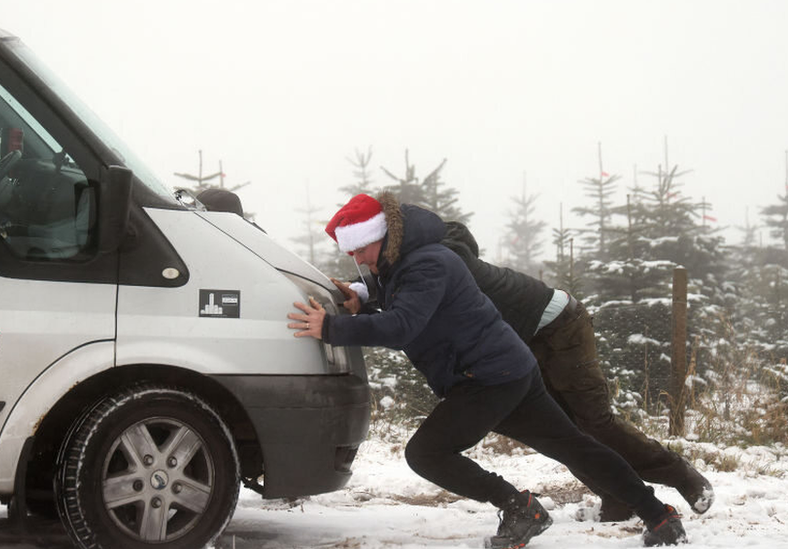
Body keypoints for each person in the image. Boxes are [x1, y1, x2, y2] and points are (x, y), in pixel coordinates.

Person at [288, 193, 687, 548]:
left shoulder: (425, 264)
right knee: (574, 445)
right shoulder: (409, 261)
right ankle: (660, 516)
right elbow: (413, 313)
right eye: (350, 253)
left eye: (359, 249)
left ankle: (520, 508)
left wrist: (332, 328)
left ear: (382, 235)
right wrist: (364, 305)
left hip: (488, 378)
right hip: (506, 369)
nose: (355, 259)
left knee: (426, 453)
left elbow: (402, 326)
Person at [436, 221, 713, 521]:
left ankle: (681, 475)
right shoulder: (424, 266)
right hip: (522, 343)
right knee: (561, 430)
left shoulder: (444, 260)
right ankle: (616, 497)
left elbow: (455, 237)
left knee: (596, 422)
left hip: (561, 327)